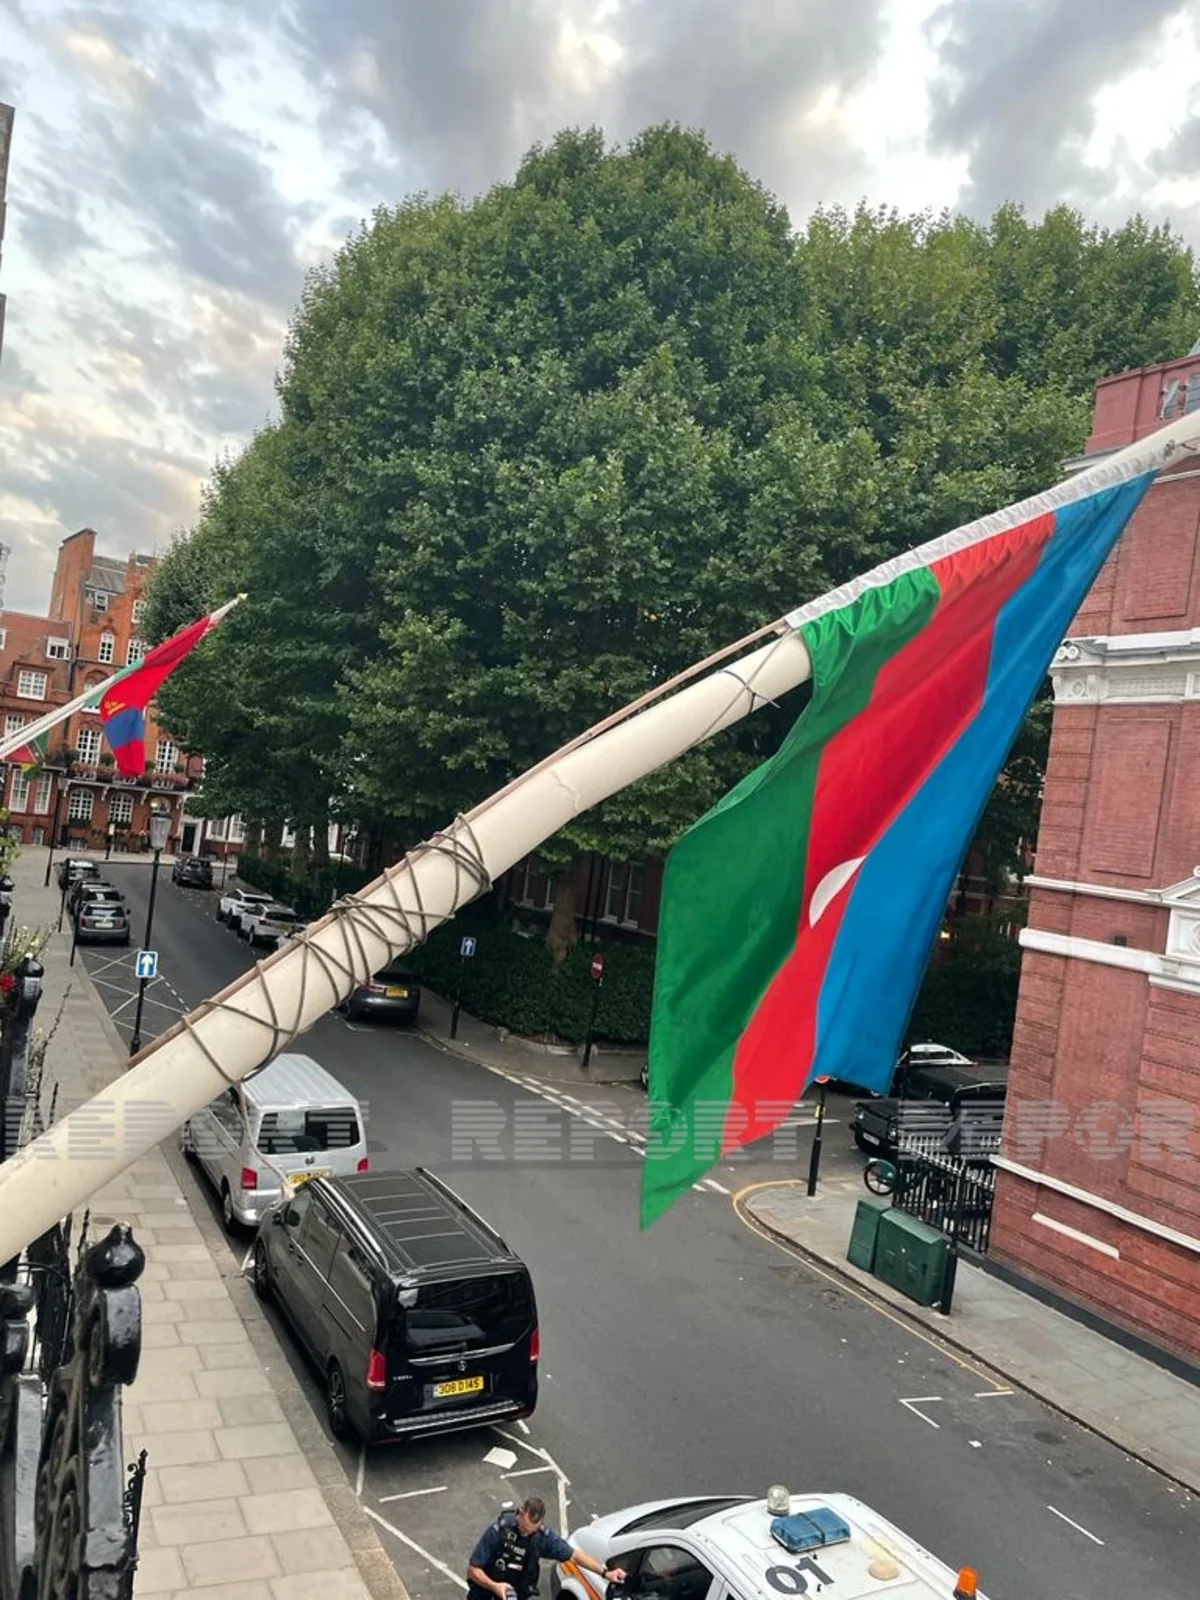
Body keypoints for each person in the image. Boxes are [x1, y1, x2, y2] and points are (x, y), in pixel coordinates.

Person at [467, 1496, 627, 1600]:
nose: (525, 1533)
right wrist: (495, 1587)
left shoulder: (542, 1538)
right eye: (523, 1528)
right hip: (485, 1591)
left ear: (540, 1524)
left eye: (530, 1531)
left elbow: (575, 1555)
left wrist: (606, 1573)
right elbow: (473, 1570)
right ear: (520, 1512)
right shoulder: (499, 1531)